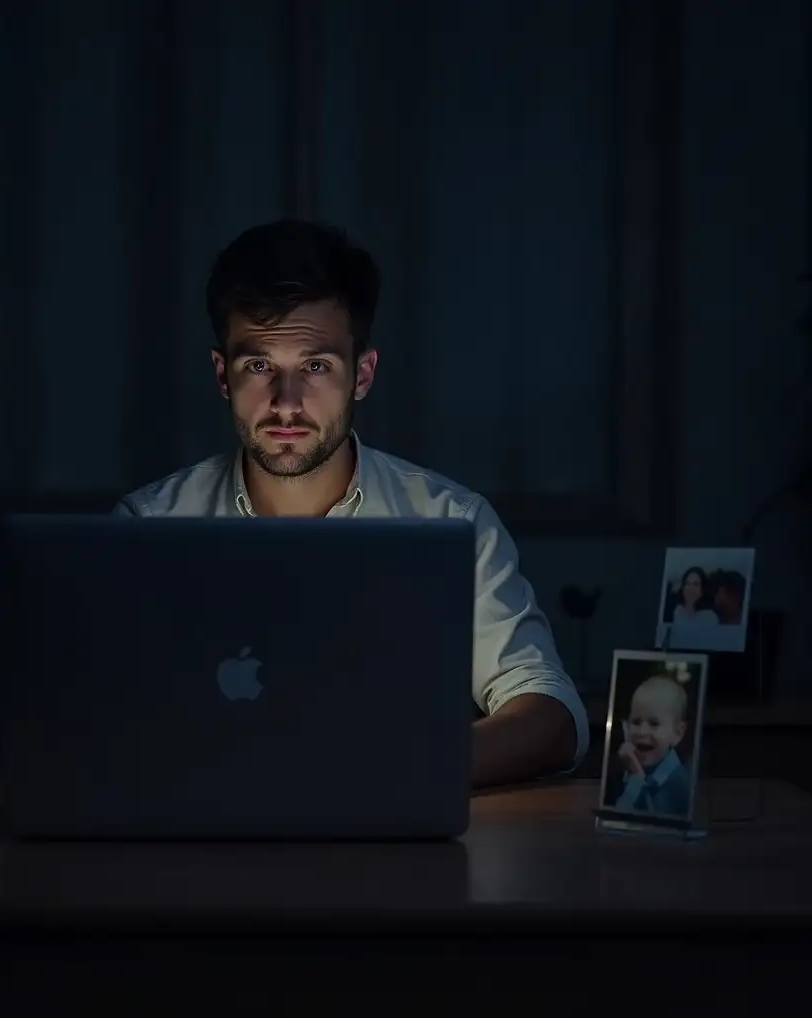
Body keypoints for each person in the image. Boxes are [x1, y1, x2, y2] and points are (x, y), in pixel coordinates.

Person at [114, 219, 588, 789]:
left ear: (362, 374)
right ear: (223, 375)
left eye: (315, 367)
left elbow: (550, 712)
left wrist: (382, 775)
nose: (285, 404)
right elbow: (97, 720)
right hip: (202, 851)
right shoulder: (147, 529)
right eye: (259, 366)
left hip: (399, 857)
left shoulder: (452, 523)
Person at [612, 673, 691, 818]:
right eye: (636, 722)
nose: (642, 731)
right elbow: (617, 817)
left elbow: (653, 823)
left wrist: (637, 779)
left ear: (677, 734)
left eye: (654, 724)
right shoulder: (629, 766)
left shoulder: (679, 781)